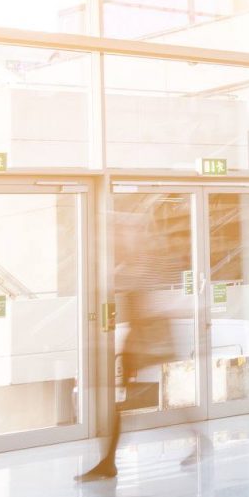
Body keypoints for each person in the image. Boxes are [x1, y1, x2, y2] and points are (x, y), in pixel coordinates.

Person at [80, 196, 193, 480]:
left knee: (127, 400)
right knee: (124, 400)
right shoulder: (135, 260)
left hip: (147, 337)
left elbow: (147, 300)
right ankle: (109, 459)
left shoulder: (144, 259)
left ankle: (109, 460)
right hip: (140, 338)